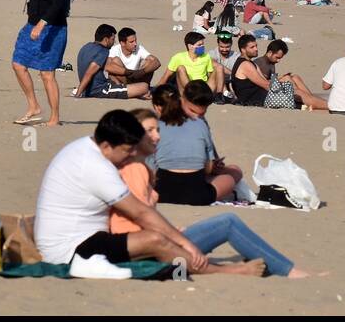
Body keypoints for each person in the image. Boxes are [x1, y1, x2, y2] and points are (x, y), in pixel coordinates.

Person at [111, 108, 311, 276]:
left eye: (157, 129)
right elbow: (136, 220)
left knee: (223, 224)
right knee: (228, 223)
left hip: (147, 242)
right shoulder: (134, 169)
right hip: (142, 250)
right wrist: (172, 237)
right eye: (150, 131)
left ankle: (258, 267)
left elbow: (141, 214)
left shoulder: (139, 166)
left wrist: (170, 230)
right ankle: (288, 272)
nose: (157, 136)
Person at [33, 109, 209, 274]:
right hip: (69, 251)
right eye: (127, 150)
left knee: (161, 238)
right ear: (107, 146)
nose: (132, 154)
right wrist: (185, 243)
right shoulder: (96, 166)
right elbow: (140, 212)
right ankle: (217, 270)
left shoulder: (84, 147)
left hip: (78, 239)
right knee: (155, 240)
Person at [11, 0, 72, 127]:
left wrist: (41, 25)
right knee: (18, 64)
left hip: (53, 28)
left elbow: (58, 4)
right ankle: (34, 106)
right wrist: (34, 23)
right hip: (32, 24)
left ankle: (55, 117)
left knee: (47, 74)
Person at [151, 82, 238, 204]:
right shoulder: (200, 124)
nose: (196, 116)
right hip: (196, 194)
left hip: (160, 191)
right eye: (192, 111)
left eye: (201, 114)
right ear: (182, 99)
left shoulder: (158, 122)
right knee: (232, 174)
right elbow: (207, 167)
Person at [254, 39, 328, 110]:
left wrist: (280, 78)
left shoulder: (270, 62)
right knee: (287, 79)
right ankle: (305, 99)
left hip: (272, 89)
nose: (278, 60)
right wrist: (281, 79)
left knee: (295, 77)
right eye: (277, 57)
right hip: (265, 94)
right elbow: (263, 84)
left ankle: (310, 99)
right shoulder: (261, 64)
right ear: (270, 53)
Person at [105, 27, 160, 97]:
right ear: (122, 43)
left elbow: (156, 62)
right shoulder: (115, 50)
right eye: (131, 42)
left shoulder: (139, 48)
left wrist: (141, 72)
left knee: (150, 62)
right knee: (115, 61)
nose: (135, 44)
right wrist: (129, 72)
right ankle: (132, 91)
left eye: (135, 41)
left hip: (136, 77)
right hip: (124, 79)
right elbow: (107, 67)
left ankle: (142, 89)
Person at [75, 24, 118, 98]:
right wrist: (78, 94)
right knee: (142, 87)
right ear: (106, 40)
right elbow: (89, 73)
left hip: (88, 88)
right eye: (113, 39)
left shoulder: (86, 47)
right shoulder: (103, 51)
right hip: (99, 90)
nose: (114, 42)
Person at [208, 31, 240, 98]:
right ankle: (222, 94)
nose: (224, 49)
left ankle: (226, 93)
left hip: (230, 84)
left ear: (231, 44)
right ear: (218, 44)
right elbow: (213, 63)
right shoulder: (212, 53)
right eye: (222, 47)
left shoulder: (236, 56)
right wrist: (232, 74)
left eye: (227, 47)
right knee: (217, 68)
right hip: (213, 84)